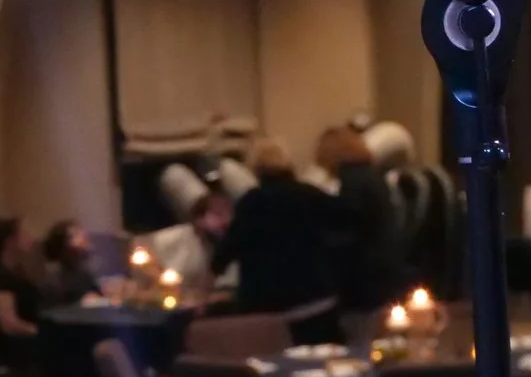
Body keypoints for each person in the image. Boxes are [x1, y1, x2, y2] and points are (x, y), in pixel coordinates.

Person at [214, 139, 339, 339]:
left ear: (256, 169)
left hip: (267, 310)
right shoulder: (309, 195)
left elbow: (225, 252)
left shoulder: (251, 203)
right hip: (316, 301)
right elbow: (345, 224)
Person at [317, 124, 405, 312]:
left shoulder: (353, 182)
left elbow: (351, 229)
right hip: (383, 271)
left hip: (364, 278)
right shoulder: (371, 176)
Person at [0, 215, 42, 369]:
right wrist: (42, 332)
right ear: (10, 242)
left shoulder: (15, 271)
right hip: (13, 345)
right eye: (24, 234)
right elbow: (9, 324)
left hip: (27, 339)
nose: (32, 238)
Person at [145, 190, 232, 291]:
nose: (226, 220)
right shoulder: (178, 235)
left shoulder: (224, 244)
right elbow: (144, 245)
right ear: (199, 218)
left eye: (229, 214)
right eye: (218, 214)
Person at [39, 219, 99, 303]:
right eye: (76, 235)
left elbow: (96, 294)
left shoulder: (84, 273)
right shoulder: (53, 278)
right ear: (62, 246)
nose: (85, 240)